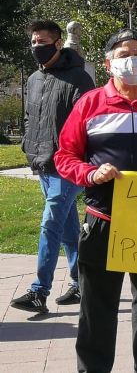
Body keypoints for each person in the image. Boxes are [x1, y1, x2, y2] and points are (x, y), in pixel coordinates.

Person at [54, 28, 137, 373]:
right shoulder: (89, 104)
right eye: (124, 54)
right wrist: (90, 174)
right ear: (109, 63)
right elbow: (64, 156)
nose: (133, 60)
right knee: (97, 306)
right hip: (102, 221)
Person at [10, 20, 95, 314]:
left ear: (58, 43)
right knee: (68, 227)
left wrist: (73, 156)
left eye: (42, 42)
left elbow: (87, 124)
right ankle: (82, 283)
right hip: (41, 163)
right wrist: (27, 143)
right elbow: (30, 117)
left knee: (50, 223)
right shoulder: (34, 79)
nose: (37, 47)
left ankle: (39, 291)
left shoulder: (79, 79)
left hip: (68, 166)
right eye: (33, 42)